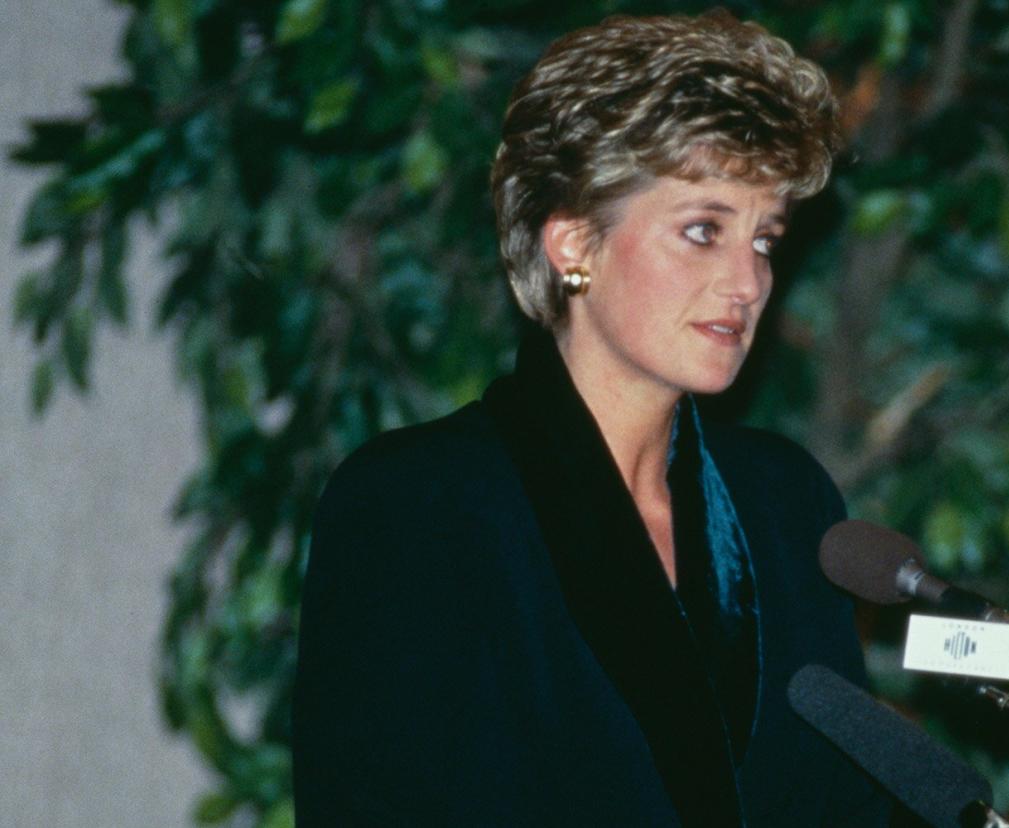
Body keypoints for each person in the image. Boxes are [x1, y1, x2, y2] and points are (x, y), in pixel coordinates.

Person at [293, 11, 893, 826]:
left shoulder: (789, 506)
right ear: (574, 245)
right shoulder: (416, 504)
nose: (748, 281)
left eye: (764, 239)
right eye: (703, 230)